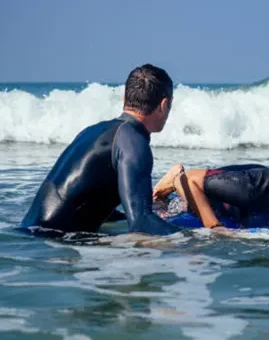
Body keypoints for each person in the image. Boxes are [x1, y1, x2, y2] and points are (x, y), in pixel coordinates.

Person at [21, 64, 179, 236]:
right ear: (163, 105)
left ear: (124, 98)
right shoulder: (134, 142)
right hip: (54, 242)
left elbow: (86, 202)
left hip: (30, 235)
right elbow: (141, 224)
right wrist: (195, 240)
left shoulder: (94, 131)